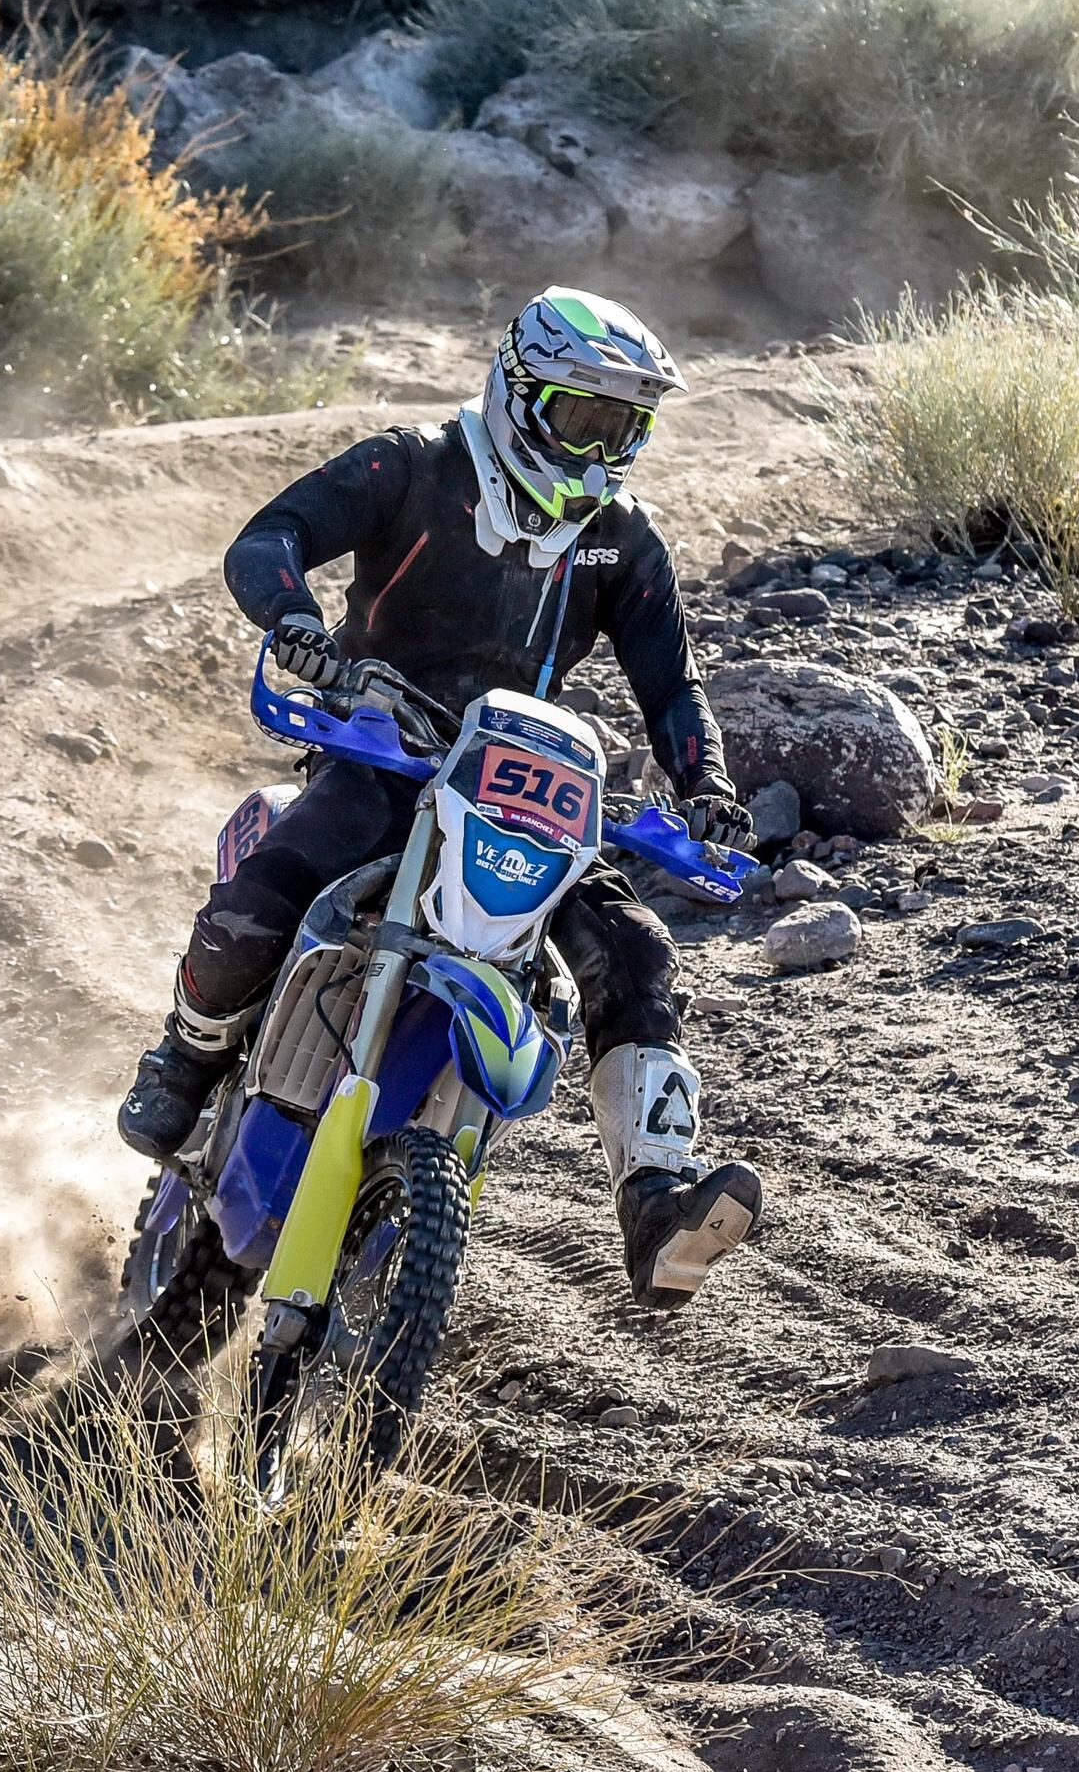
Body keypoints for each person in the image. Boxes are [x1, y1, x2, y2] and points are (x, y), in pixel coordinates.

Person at [114, 287, 767, 1310]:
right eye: (578, 420)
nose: (596, 455)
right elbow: (267, 537)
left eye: (621, 429)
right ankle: (185, 1059)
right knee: (270, 888)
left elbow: (671, 687)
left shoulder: (621, 540)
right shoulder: (410, 466)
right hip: (382, 751)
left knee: (634, 949)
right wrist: (295, 625)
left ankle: (655, 1205)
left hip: (521, 790)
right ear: (515, 392)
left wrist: (708, 790)